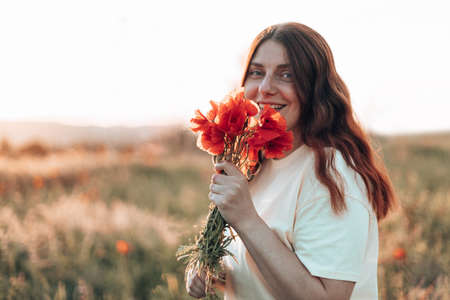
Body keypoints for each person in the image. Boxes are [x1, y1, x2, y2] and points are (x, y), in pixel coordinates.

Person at [186, 22, 396, 300]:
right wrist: (212, 270)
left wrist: (246, 218)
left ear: (315, 88)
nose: (265, 88)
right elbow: (267, 267)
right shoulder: (258, 166)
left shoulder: (333, 176)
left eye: (287, 75)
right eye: (256, 72)